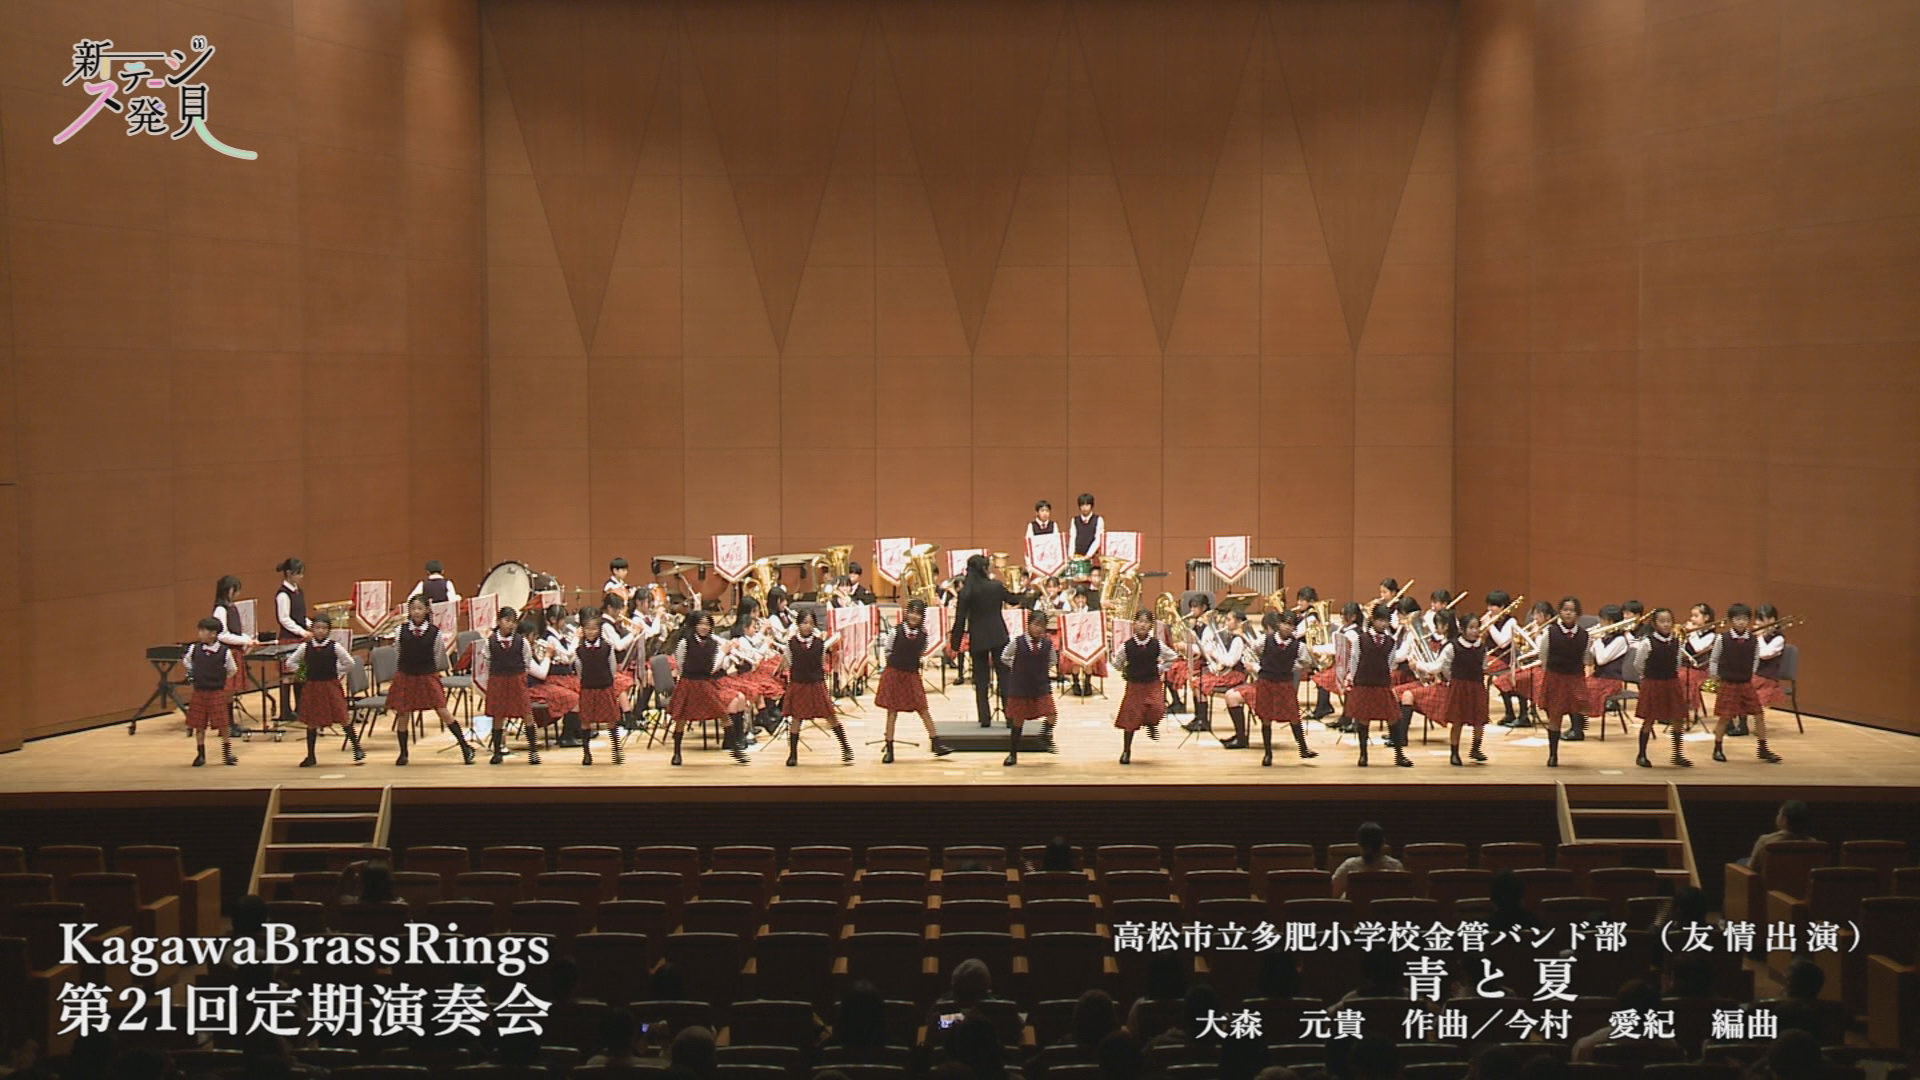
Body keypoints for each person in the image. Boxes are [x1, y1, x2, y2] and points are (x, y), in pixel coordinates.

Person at [387, 595, 468, 766]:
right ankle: (403, 753)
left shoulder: (434, 632)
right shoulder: (400, 630)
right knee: (403, 714)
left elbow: (438, 655)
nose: (416, 612)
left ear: (427, 611)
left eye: (420, 608)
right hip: (406, 674)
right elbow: (398, 651)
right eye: (413, 609)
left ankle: (464, 746)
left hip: (427, 675)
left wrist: (428, 669)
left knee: (442, 710)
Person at [282, 614, 363, 767]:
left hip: (330, 685)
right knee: (312, 721)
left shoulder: (335, 646)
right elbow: (290, 662)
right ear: (312, 629)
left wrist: (336, 670)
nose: (320, 631)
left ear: (329, 630)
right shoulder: (305, 647)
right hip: (312, 686)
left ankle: (357, 748)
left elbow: (349, 663)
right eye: (317, 628)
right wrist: (303, 672)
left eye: (324, 628)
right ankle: (311, 756)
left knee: (342, 716)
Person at [949, 554, 1020, 728]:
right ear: (984, 568)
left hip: (978, 638)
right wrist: (1023, 592)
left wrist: (955, 643)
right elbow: (1013, 600)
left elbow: (960, 620)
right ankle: (1010, 717)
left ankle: (984, 718)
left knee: (981, 679)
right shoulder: (996, 586)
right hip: (998, 635)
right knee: (1004, 677)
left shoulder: (966, 592)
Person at [877, 600, 951, 762]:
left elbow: (921, 652)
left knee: (923, 708)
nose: (914, 616)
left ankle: (936, 743)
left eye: (918, 614)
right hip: (895, 673)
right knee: (892, 711)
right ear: (906, 613)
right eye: (912, 612)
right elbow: (888, 650)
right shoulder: (895, 631)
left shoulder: (923, 635)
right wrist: (895, 665)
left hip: (911, 674)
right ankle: (889, 748)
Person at [1416, 611, 1490, 767]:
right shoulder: (1452, 646)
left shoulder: (1482, 648)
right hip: (1459, 686)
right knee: (1457, 721)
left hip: (1477, 686)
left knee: (1479, 720)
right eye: (1471, 628)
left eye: (1477, 627)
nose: (1475, 631)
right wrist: (1453, 679)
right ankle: (1454, 752)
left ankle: (1476, 748)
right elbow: (1444, 666)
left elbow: (1484, 666)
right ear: (1462, 629)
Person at [779, 610, 852, 766]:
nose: (807, 626)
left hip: (816, 683)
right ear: (798, 624)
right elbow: (790, 663)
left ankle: (845, 747)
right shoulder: (790, 644)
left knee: (830, 715)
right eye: (804, 623)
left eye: (811, 623)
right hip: (799, 683)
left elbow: (821, 662)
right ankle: (793, 754)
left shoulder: (820, 644)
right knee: (796, 718)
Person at [1712, 604, 1780, 763]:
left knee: (1758, 714)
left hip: (1745, 682)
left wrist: (1750, 673)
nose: (1741, 622)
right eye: (1738, 619)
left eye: (1744, 619)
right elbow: (1714, 658)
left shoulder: (1753, 639)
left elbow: (1756, 658)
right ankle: (1717, 748)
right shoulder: (1722, 638)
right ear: (1731, 621)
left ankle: (1763, 749)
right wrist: (1714, 675)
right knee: (1724, 717)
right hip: (1728, 681)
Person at [1249, 611, 1316, 766]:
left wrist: (1292, 667)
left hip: (1285, 683)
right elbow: (1251, 651)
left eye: (1291, 625)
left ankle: (1303, 748)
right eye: (1285, 624)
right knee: (1266, 718)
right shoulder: (1265, 640)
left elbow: (1306, 662)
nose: (1287, 627)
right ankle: (1268, 753)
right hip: (1266, 681)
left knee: (1293, 715)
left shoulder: (1298, 646)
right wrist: (1257, 667)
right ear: (1278, 624)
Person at [1344, 605, 1405, 767]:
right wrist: (1353, 679)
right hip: (1363, 683)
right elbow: (1355, 660)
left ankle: (1399, 755)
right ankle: (1363, 754)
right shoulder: (1360, 640)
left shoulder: (1390, 642)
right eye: (1380, 620)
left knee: (1393, 718)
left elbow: (1390, 663)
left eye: (1386, 621)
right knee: (1363, 719)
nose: (1383, 624)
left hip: (1382, 683)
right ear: (1372, 620)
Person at [667, 613, 729, 767]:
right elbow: (680, 665)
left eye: (707, 624)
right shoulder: (685, 642)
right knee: (681, 718)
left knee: (723, 712)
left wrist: (723, 653)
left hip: (706, 682)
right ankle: (676, 752)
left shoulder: (713, 644)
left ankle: (734, 745)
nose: (704, 627)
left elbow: (713, 667)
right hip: (688, 682)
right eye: (701, 624)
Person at [1535, 596, 1590, 767]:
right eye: (1565, 610)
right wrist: (1551, 672)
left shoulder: (1584, 635)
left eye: (1572, 610)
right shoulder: (1550, 632)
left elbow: (1586, 658)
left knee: (1577, 709)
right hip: (1555, 677)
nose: (1568, 613)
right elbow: (1543, 656)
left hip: (1575, 678)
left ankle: (1577, 730)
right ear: (1559, 612)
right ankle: (1553, 755)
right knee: (1555, 716)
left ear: (1577, 614)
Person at [1000, 609, 1060, 766]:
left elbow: (1053, 660)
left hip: (1041, 684)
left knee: (1052, 713)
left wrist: (1041, 669)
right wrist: (1017, 667)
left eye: (1043, 626)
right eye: (1036, 625)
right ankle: (1012, 753)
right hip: (1020, 685)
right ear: (1028, 625)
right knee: (1018, 719)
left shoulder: (1047, 644)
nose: (1039, 629)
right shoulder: (1018, 642)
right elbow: (1004, 656)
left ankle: (1044, 736)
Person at [1114, 608, 1174, 765]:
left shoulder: (1156, 644)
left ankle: (1151, 724)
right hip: (1134, 685)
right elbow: (1117, 662)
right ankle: (1126, 750)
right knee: (1131, 718)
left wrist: (1161, 668)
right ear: (1134, 624)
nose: (1142, 625)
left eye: (1146, 622)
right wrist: (1125, 670)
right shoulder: (1127, 646)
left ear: (1151, 626)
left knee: (1157, 708)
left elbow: (1172, 657)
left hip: (1152, 683)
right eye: (1139, 621)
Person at [1632, 608, 1691, 768]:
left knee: (1678, 718)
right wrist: (1648, 675)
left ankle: (1677, 754)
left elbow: (1677, 663)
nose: (1666, 624)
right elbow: (1638, 664)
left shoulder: (1676, 642)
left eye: (1669, 621)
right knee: (1649, 718)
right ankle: (1642, 754)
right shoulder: (1647, 642)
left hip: (1671, 682)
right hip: (1653, 683)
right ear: (1654, 624)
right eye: (1662, 621)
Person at [481, 607, 540, 765]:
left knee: (526, 713)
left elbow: (527, 660)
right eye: (507, 621)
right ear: (499, 622)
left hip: (517, 679)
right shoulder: (490, 642)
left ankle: (533, 751)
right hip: (498, 680)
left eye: (513, 622)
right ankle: (497, 751)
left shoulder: (522, 641)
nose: (510, 625)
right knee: (498, 715)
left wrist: (520, 674)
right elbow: (487, 660)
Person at [575, 612, 634, 766]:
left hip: (605, 686)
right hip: (587, 687)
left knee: (611, 719)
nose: (591, 632)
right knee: (585, 721)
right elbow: (579, 669)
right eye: (587, 629)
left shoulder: (607, 647)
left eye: (594, 629)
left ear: (599, 630)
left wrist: (608, 680)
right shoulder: (579, 649)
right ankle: (586, 753)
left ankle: (616, 750)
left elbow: (612, 667)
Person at [185, 617, 239, 767]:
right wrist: (194, 672)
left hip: (216, 691)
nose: (200, 634)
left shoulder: (224, 652)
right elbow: (187, 661)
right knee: (199, 725)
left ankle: (227, 754)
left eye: (203, 631)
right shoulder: (194, 649)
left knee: (223, 724)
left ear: (213, 634)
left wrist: (219, 678)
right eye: (200, 630)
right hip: (199, 690)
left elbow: (232, 670)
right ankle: (200, 754)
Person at [1197, 608, 1254, 749]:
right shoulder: (1230, 637)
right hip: (1227, 672)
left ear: (1238, 622)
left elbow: (1230, 661)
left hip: (1235, 676)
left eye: (1229, 620)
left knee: (1201, 683)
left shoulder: (1238, 640)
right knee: (1197, 681)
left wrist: (1214, 653)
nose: (1226, 623)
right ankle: (1202, 719)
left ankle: (1240, 736)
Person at [272, 557, 312, 724]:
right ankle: (285, 710)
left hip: (300, 638)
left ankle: (300, 707)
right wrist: (302, 631)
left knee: (300, 674)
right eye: (298, 573)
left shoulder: (298, 591)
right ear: (289, 573)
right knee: (288, 675)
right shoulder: (283, 594)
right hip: (289, 639)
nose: (301, 577)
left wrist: (312, 626)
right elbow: (284, 619)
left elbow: (300, 616)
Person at [1331, 821, 1404, 897]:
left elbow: (1333, 893)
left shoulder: (1349, 866)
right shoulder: (1395, 866)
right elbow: (1402, 896)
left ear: (1359, 843)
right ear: (1383, 843)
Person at [1748, 801, 1813, 874]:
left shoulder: (1765, 841)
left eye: (1779, 813)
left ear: (1784, 819)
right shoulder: (1814, 844)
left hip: (1770, 881)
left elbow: (1751, 869)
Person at [1070, 493, 1105, 558]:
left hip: (1093, 555)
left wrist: (1088, 555)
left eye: (1087, 505)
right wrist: (1071, 555)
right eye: (1082, 505)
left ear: (1091, 506)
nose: (1084, 508)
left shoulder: (1098, 519)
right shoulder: (1074, 520)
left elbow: (1098, 539)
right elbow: (1073, 538)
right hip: (1077, 555)